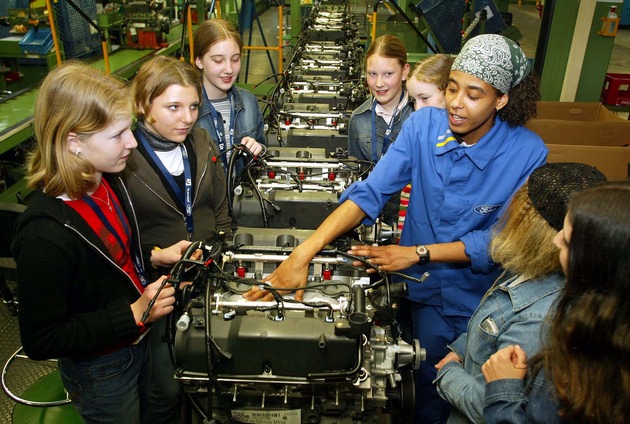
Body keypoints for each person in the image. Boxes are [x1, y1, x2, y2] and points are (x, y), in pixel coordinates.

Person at [245, 33, 548, 424]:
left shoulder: (528, 152)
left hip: (482, 298)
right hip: (424, 293)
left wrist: (417, 252)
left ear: (501, 99)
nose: (456, 103)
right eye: (452, 88)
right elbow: (371, 192)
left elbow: (503, 240)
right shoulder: (423, 126)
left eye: (474, 95)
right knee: (426, 386)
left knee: (477, 397)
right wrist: (302, 253)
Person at [13, 61, 191, 424]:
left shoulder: (105, 181)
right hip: (102, 370)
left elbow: (107, 259)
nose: (132, 142)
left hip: (138, 342)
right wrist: (133, 313)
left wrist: (154, 257)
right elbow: (42, 338)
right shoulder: (44, 235)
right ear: (73, 141)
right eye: (118, 135)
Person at [432, 162, 607, 424]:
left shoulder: (540, 320)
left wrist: (447, 374)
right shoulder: (529, 266)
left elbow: (490, 405)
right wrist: (460, 349)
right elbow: (488, 329)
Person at [124, 55, 232, 424]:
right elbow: (115, 240)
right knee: (165, 387)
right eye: (173, 107)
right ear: (142, 105)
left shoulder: (201, 142)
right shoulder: (124, 159)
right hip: (155, 290)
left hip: (208, 278)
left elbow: (220, 207)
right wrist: (153, 256)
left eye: (192, 106)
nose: (186, 117)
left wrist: (223, 248)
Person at [481, 182, 630, 424]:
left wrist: (503, 389)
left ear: (597, 262)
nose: (556, 240)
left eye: (569, 241)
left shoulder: (570, 370)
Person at [347, 34, 414, 225]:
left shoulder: (419, 117)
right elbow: (355, 174)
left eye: (388, 74)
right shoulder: (359, 119)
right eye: (372, 74)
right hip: (373, 220)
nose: (379, 84)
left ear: (404, 71)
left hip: (411, 220)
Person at [193, 18, 266, 177]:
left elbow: (263, 152)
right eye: (218, 60)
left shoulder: (249, 103)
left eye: (235, 59)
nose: (229, 69)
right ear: (199, 61)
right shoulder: (189, 111)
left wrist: (258, 149)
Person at [398, 54, 454, 238]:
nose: (418, 109)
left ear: (450, 93)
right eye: (414, 101)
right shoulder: (417, 133)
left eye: (425, 98)